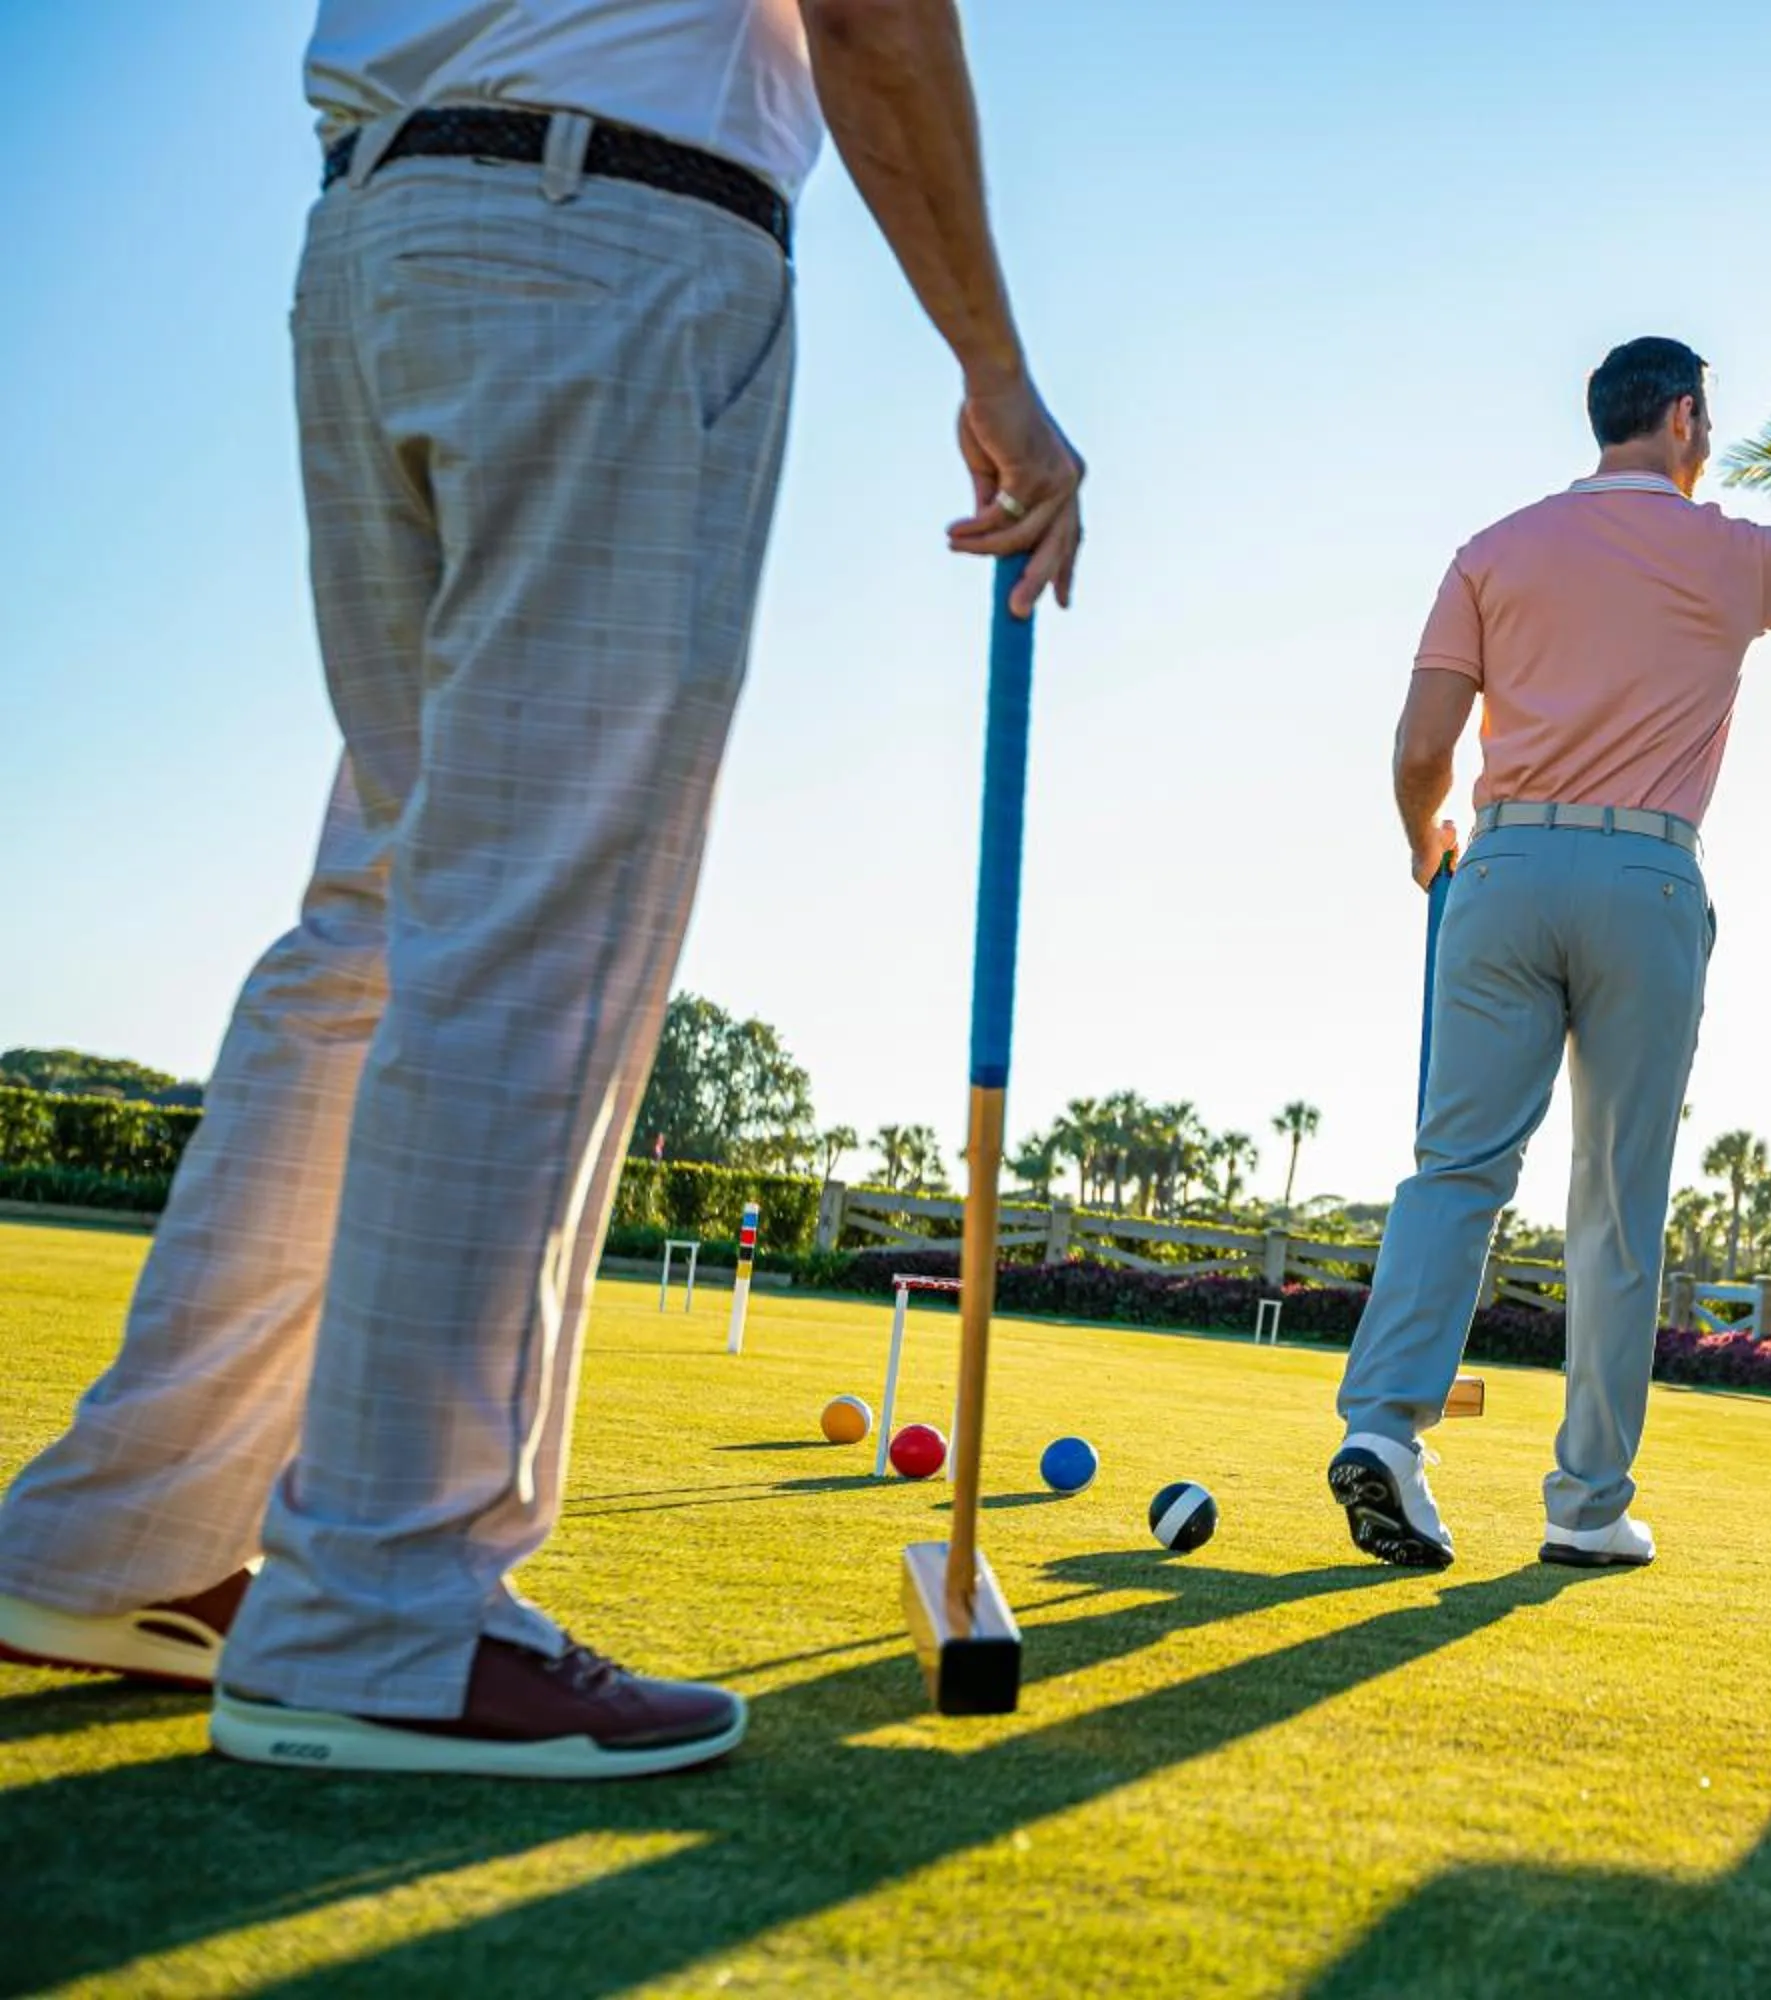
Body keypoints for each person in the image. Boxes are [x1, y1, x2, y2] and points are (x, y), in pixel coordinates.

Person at [0, 0, 1081, 1780]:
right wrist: (999, 376)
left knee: (381, 920)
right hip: (608, 244)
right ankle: (386, 1611)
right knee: (528, 922)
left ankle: (120, 1541)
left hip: (379, 231)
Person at [1327, 337, 1771, 1570]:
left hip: (1501, 869)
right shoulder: (1734, 549)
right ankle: (1586, 1506)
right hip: (1645, 873)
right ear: (1682, 418)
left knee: (1454, 1169)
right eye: (1706, 421)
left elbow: (1419, 749)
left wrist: (1425, 841)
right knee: (1618, 1203)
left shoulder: (1493, 548)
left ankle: (1385, 1431)